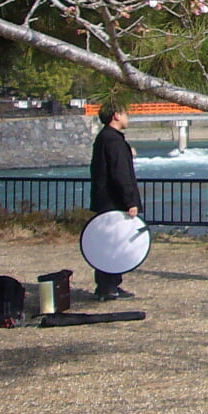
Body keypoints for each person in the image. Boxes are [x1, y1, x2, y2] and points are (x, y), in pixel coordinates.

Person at [89, 101, 142, 301]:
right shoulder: (113, 141)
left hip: (105, 201)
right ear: (116, 116)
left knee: (106, 243)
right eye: (125, 113)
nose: (128, 117)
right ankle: (109, 286)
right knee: (112, 244)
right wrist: (130, 201)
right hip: (113, 203)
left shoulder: (104, 138)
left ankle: (107, 284)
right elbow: (120, 174)